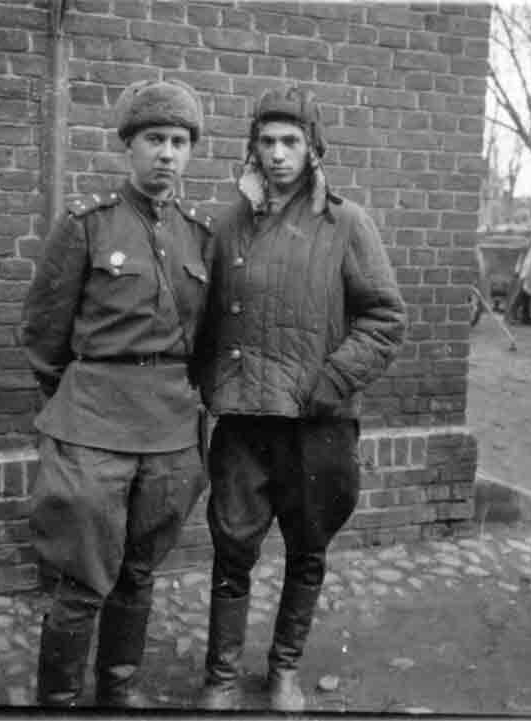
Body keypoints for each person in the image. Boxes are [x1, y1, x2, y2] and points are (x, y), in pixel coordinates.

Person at [191, 85, 406, 712]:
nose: (278, 153)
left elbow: (385, 319)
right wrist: (209, 385)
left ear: (314, 149)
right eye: (267, 141)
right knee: (232, 548)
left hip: (316, 423)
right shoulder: (227, 224)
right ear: (253, 149)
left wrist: (331, 382)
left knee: (308, 549)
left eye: (291, 141)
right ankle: (221, 676)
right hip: (243, 421)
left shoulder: (346, 224)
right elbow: (201, 320)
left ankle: (284, 669)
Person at [22, 78, 213, 708]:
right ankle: (58, 699)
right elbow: (43, 335)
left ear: (190, 152)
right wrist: (80, 398)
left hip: (170, 432)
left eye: (179, 142)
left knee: (138, 572)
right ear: (129, 145)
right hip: (92, 426)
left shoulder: (200, 235)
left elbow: (205, 337)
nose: (167, 153)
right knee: (82, 578)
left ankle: (116, 690)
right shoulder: (87, 225)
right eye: (154, 139)